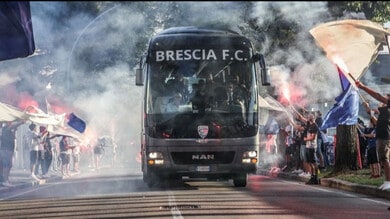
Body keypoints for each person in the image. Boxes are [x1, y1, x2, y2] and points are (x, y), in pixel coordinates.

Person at [355, 80, 390, 190]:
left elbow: (378, 96)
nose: (382, 100)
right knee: (383, 159)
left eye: (386, 98)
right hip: (382, 134)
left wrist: (362, 86)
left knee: (384, 158)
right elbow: (375, 123)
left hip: (385, 135)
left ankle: (388, 181)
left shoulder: (388, 107)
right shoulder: (384, 112)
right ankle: (387, 180)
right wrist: (369, 112)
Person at [0, 120, 24, 187]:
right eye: (10, 122)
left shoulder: (10, 130)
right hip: (6, 149)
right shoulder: (5, 128)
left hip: (9, 149)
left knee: (8, 165)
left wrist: (15, 130)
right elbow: (13, 126)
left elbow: (13, 136)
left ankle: (4, 180)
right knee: (7, 165)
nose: (11, 123)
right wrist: (20, 122)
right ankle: (5, 180)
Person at [303, 113, 319, 184]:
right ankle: (312, 177)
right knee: (310, 162)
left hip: (312, 146)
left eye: (311, 116)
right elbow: (301, 118)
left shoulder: (314, 126)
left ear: (314, 117)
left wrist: (306, 139)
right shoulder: (309, 124)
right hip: (308, 146)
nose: (309, 117)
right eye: (309, 116)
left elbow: (313, 137)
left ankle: (316, 178)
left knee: (313, 162)